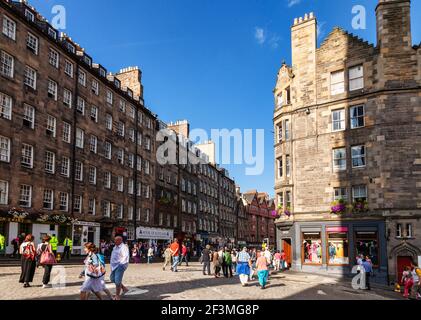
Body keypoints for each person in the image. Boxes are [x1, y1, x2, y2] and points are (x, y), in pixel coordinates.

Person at [110, 236, 130, 300]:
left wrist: (121, 264)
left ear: (120, 240)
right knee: (112, 279)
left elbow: (125, 256)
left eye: (116, 240)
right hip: (114, 266)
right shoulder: (115, 247)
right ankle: (124, 288)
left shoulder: (123, 247)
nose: (114, 241)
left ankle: (117, 295)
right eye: (114, 240)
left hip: (120, 265)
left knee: (118, 281)